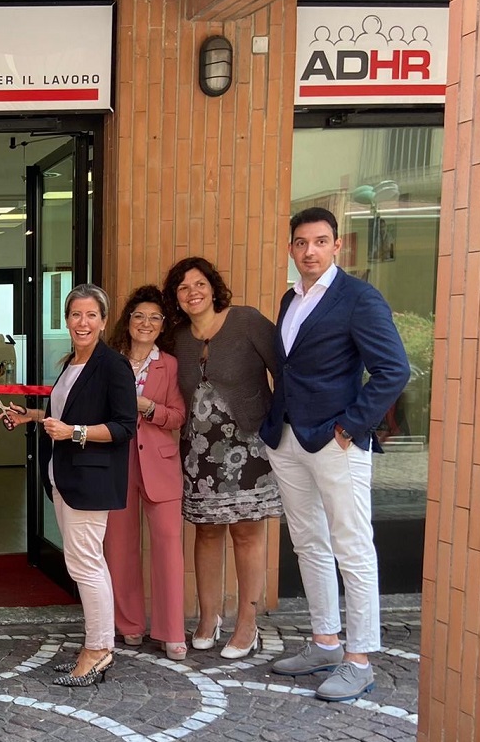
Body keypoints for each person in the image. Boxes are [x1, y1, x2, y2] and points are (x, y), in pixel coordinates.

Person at [261, 207, 408, 701]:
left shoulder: (359, 298)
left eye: (320, 241)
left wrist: (350, 427)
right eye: (301, 243)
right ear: (291, 248)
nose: (310, 251)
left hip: (335, 440)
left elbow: (393, 370)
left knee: (352, 547)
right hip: (288, 438)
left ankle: (359, 659)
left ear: (337, 245)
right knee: (308, 543)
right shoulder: (291, 297)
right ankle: (325, 642)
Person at [4, 284, 136, 686]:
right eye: (76, 314)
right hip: (64, 477)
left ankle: (97, 651)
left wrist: (74, 432)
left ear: (104, 321)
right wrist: (30, 416)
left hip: (89, 481)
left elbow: (124, 427)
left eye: (91, 315)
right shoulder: (73, 362)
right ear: (66, 320)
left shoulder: (113, 365)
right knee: (86, 564)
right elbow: (62, 412)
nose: (83, 322)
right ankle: (97, 646)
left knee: (86, 565)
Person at [163, 257, 281, 660]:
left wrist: (279, 424)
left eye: (199, 283)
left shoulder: (246, 321)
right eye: (183, 287)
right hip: (199, 453)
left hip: (249, 447)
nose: (192, 292)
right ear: (176, 298)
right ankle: (208, 618)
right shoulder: (178, 338)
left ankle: (248, 623)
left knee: (246, 534)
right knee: (207, 532)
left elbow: (285, 370)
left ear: (213, 287)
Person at [102, 285, 188, 660]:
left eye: (155, 317)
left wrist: (149, 407)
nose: (146, 323)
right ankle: (129, 625)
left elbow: (178, 416)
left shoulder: (169, 365)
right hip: (117, 461)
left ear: (163, 325)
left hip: (160, 464)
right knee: (119, 548)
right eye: (139, 315)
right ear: (128, 321)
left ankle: (172, 632)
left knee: (168, 547)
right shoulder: (109, 362)